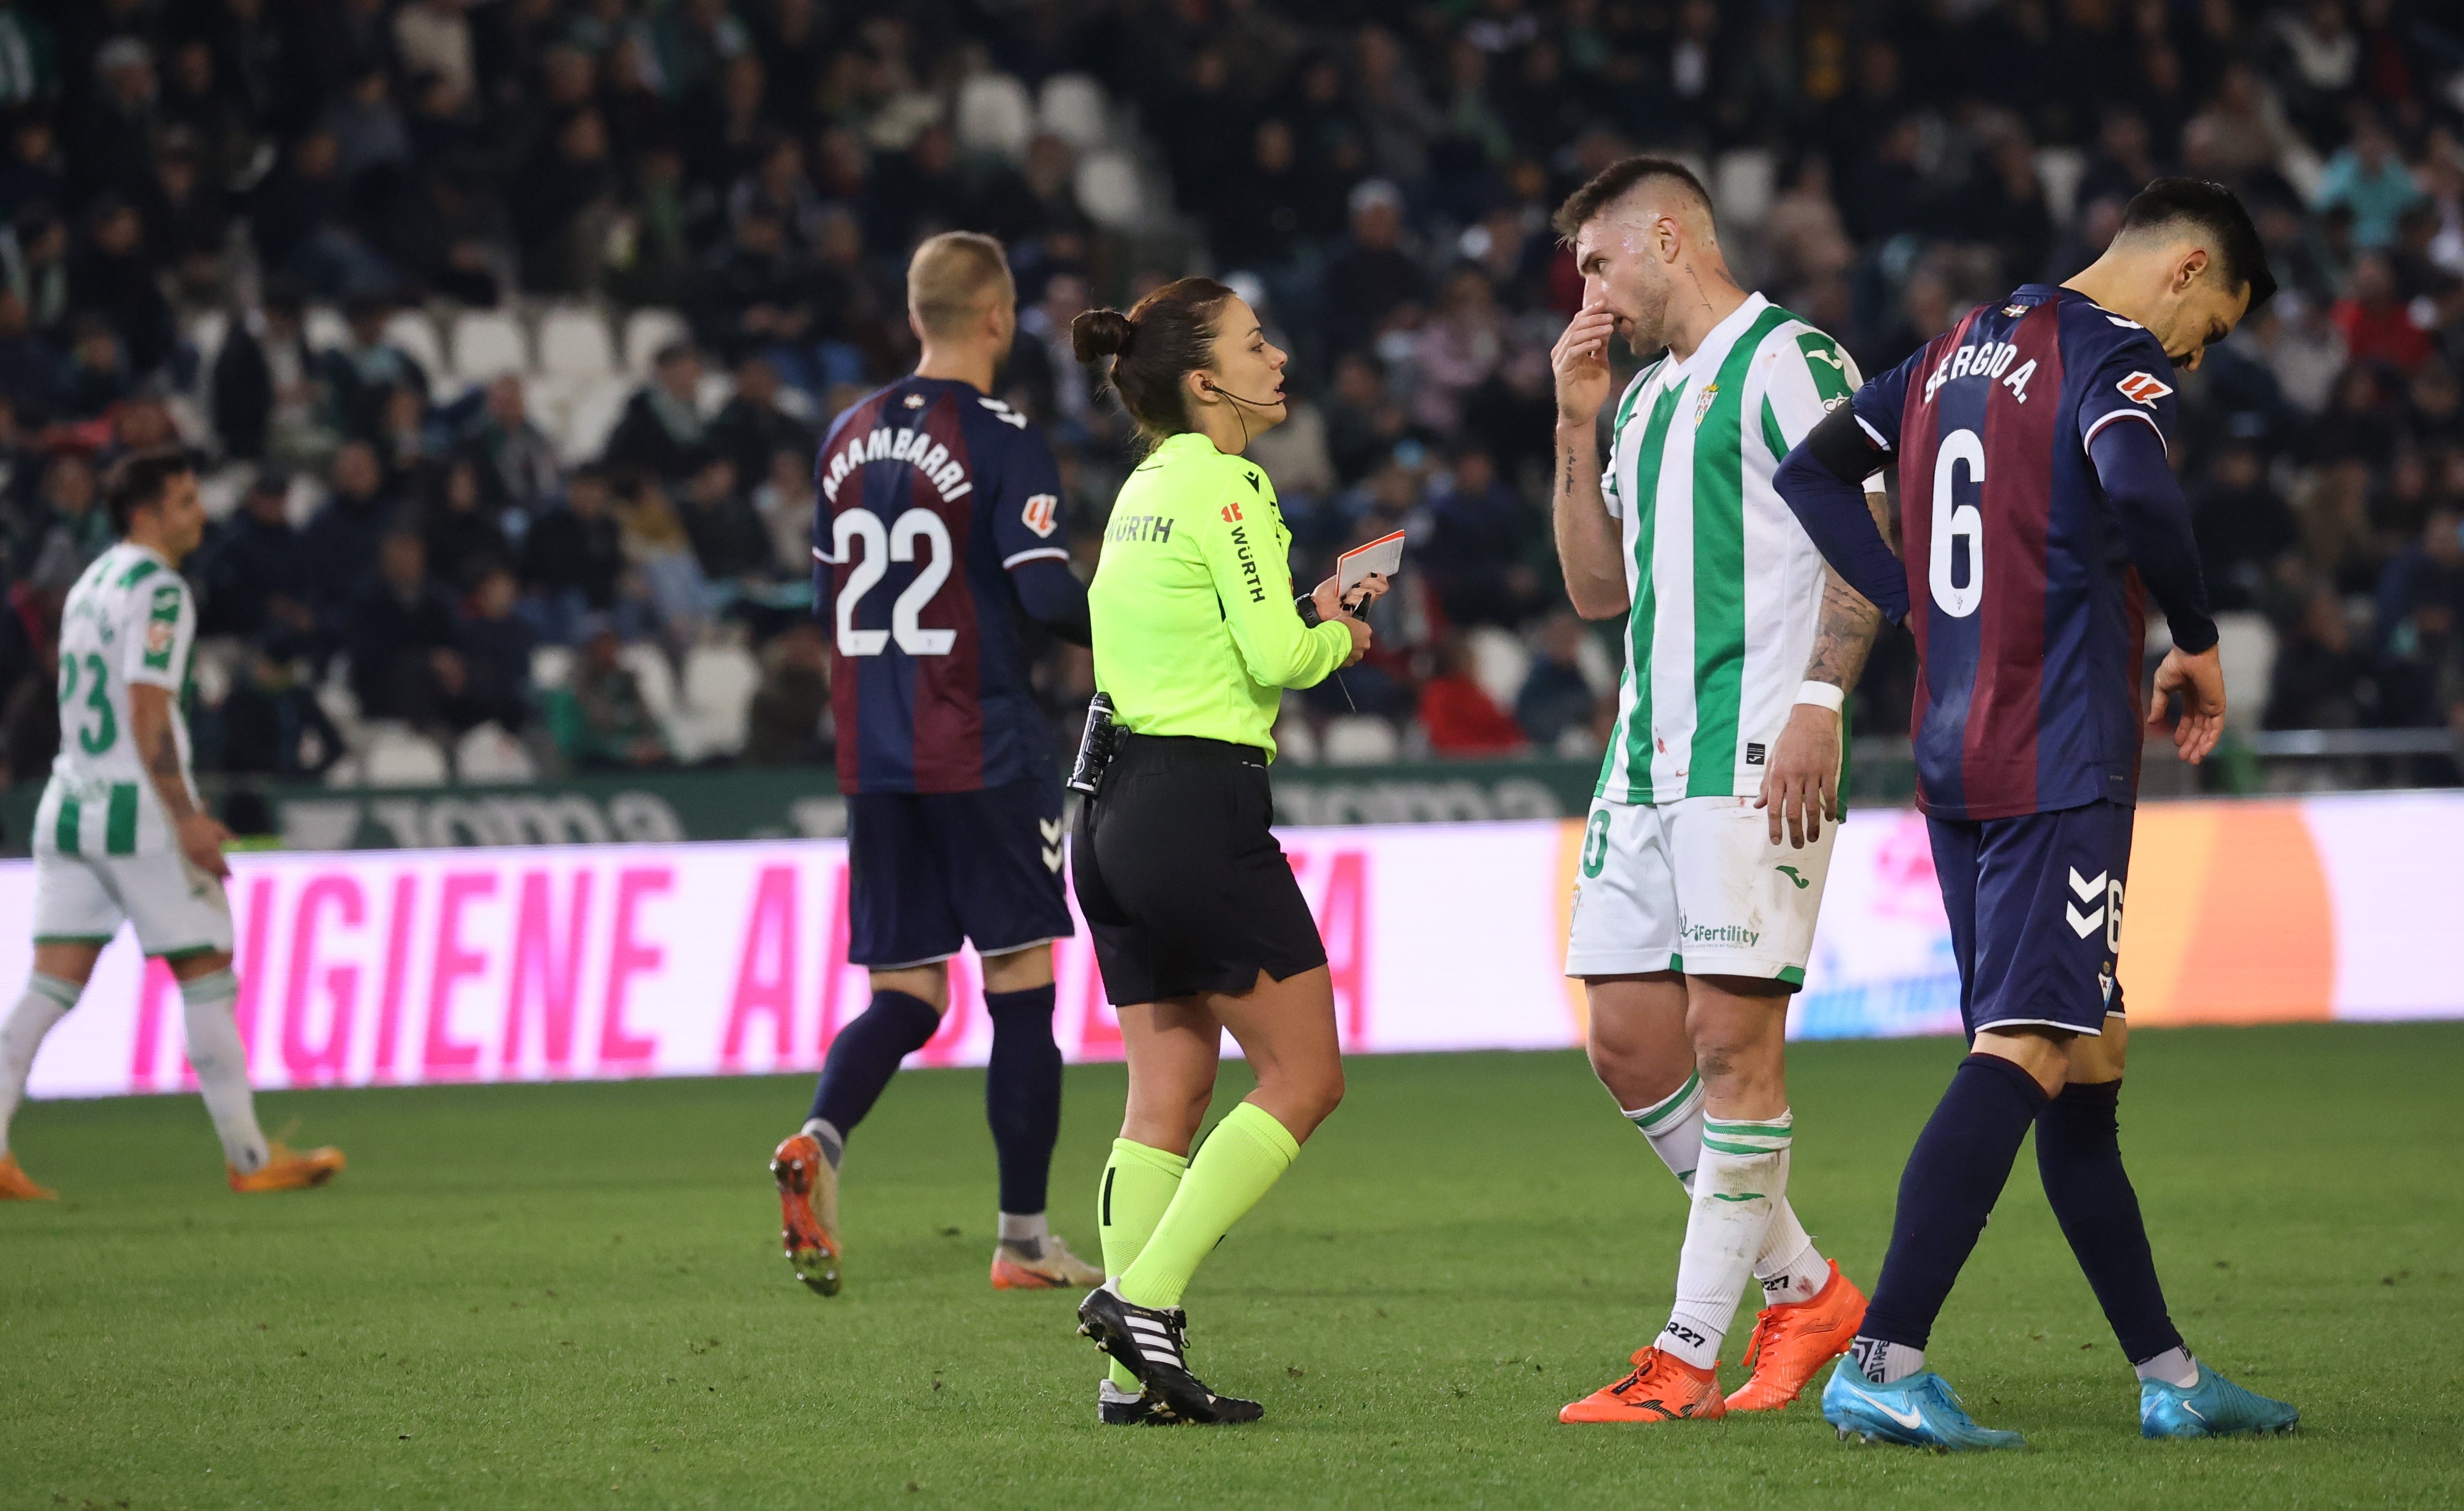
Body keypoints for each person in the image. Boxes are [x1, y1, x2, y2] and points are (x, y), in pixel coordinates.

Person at [1774, 178, 2302, 1448]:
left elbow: (1810, 474)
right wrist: (2196, 638)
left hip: (1955, 752)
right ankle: (1884, 1357)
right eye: (2213, 324)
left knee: (2081, 1048)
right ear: (2183, 270)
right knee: (2023, 1044)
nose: (2195, 352)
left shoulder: (1956, 346)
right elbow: (2139, 486)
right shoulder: (2109, 361)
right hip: (2059, 751)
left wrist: (1908, 600)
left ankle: (2169, 1374)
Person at [1545, 156, 1871, 1427]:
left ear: (1666, 239)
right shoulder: (1634, 405)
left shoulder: (1790, 361)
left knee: (1733, 1051)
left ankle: (1683, 1353)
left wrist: (1819, 706)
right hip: (1642, 760)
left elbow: (1870, 533)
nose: (1584, 291)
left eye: (1594, 263)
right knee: (1626, 1039)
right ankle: (1807, 1288)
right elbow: (1592, 590)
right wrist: (1573, 422)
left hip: (1751, 755)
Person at [1064, 277, 1385, 1427]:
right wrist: (1337, 628)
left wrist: (1295, 617)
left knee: (1166, 1093)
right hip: (1196, 808)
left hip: (1104, 812)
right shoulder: (1230, 482)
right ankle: (1140, 1298)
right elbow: (1274, 652)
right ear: (1204, 382)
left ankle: (1126, 1379)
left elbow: (1201, 636)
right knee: (1304, 1077)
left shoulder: (1143, 488)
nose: (1276, 356)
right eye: (1255, 344)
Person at [769, 232, 1103, 1302]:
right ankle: (1021, 1240)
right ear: (999, 318)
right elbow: (1047, 594)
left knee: (907, 994)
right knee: (1017, 990)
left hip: (876, 754)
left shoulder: (843, 436)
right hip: (980, 744)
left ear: (917, 316)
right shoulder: (1003, 437)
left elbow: (828, 607)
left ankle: (821, 1137)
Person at [0, 452, 343, 1201]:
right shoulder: (159, 590)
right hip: (138, 810)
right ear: (147, 514)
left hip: (71, 801)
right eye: (186, 502)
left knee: (49, 987)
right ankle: (251, 1159)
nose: (200, 514)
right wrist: (186, 816)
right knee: (209, 970)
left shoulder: (93, 582)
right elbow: (148, 707)